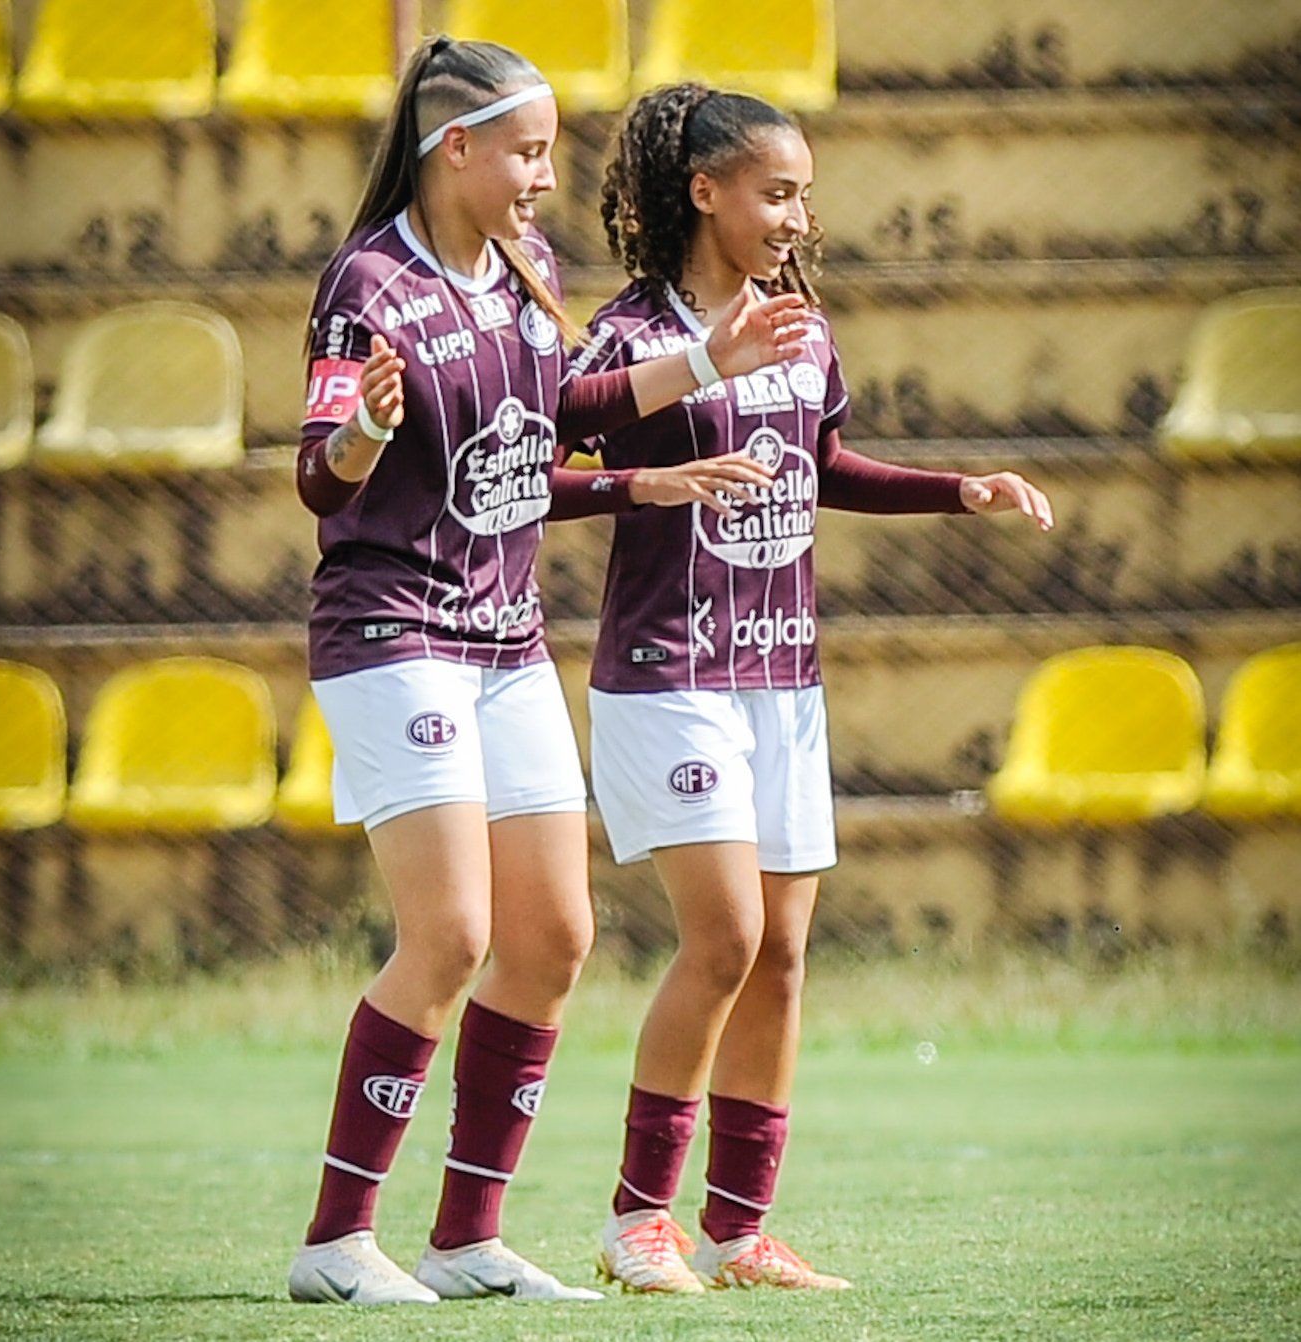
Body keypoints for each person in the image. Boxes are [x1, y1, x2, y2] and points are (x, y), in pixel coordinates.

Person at [287, 38, 807, 1307]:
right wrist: (358, 428)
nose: (544, 177)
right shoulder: (368, 282)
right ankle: (337, 1242)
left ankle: (467, 1238)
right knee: (453, 934)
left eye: (550, 152)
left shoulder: (529, 272)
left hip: (503, 640)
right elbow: (319, 477)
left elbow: (552, 437)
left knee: (555, 938)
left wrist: (670, 432)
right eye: (525, 151)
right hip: (394, 628)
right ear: (450, 147)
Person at [551, 84, 1055, 1293]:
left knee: (779, 955)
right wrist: (686, 384)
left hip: (783, 676)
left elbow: (824, 466)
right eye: (775, 192)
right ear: (703, 191)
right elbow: (550, 437)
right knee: (721, 936)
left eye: (803, 195)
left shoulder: (799, 323)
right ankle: (636, 1223)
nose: (794, 216)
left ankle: (739, 1232)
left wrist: (955, 488)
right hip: (669, 673)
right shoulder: (628, 335)